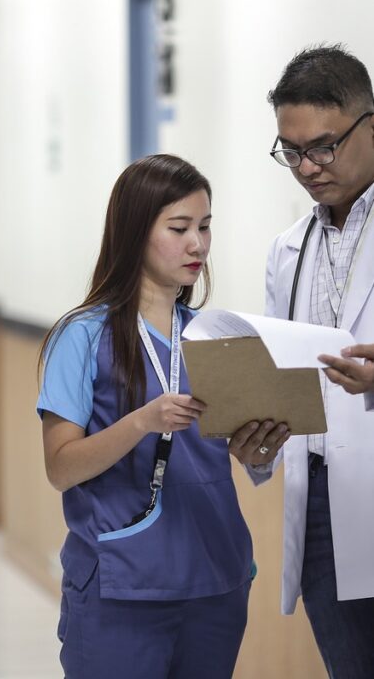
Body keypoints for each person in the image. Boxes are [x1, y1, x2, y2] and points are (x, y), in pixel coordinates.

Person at [37, 154, 289, 679]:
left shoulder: (215, 336)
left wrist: (258, 450)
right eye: (179, 228)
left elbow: (233, 458)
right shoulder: (82, 337)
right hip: (121, 589)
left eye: (205, 226)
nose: (197, 244)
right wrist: (141, 423)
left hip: (215, 583)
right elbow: (61, 468)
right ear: (134, 233)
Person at [229, 44, 374, 678]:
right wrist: (258, 436)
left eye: (323, 146)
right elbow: (283, 378)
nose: (307, 167)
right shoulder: (288, 251)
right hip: (319, 502)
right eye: (290, 152)